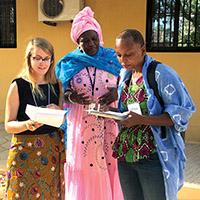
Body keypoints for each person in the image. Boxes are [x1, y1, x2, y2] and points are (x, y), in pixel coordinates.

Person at [110, 29, 196, 200]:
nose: (123, 60)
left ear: (143, 50)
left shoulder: (161, 74)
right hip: (126, 154)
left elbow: (182, 113)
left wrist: (142, 120)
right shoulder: (125, 76)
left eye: (128, 54)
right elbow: (128, 112)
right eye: (119, 55)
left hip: (153, 156)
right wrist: (108, 113)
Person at [56, 6, 124, 200]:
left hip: (109, 123)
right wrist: (71, 97)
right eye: (85, 40)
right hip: (81, 123)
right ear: (78, 42)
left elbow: (129, 85)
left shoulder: (114, 59)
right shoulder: (69, 62)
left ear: (99, 37)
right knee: (84, 167)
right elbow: (58, 91)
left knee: (111, 163)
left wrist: (116, 93)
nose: (91, 43)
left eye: (94, 38)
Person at [4, 38, 66, 199]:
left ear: (52, 60)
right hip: (25, 149)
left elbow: (62, 121)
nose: (42, 62)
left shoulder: (56, 85)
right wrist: (28, 124)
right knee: (21, 194)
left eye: (46, 58)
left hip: (51, 148)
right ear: (29, 58)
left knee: (49, 194)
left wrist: (58, 111)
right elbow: (8, 126)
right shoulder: (18, 85)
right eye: (37, 58)